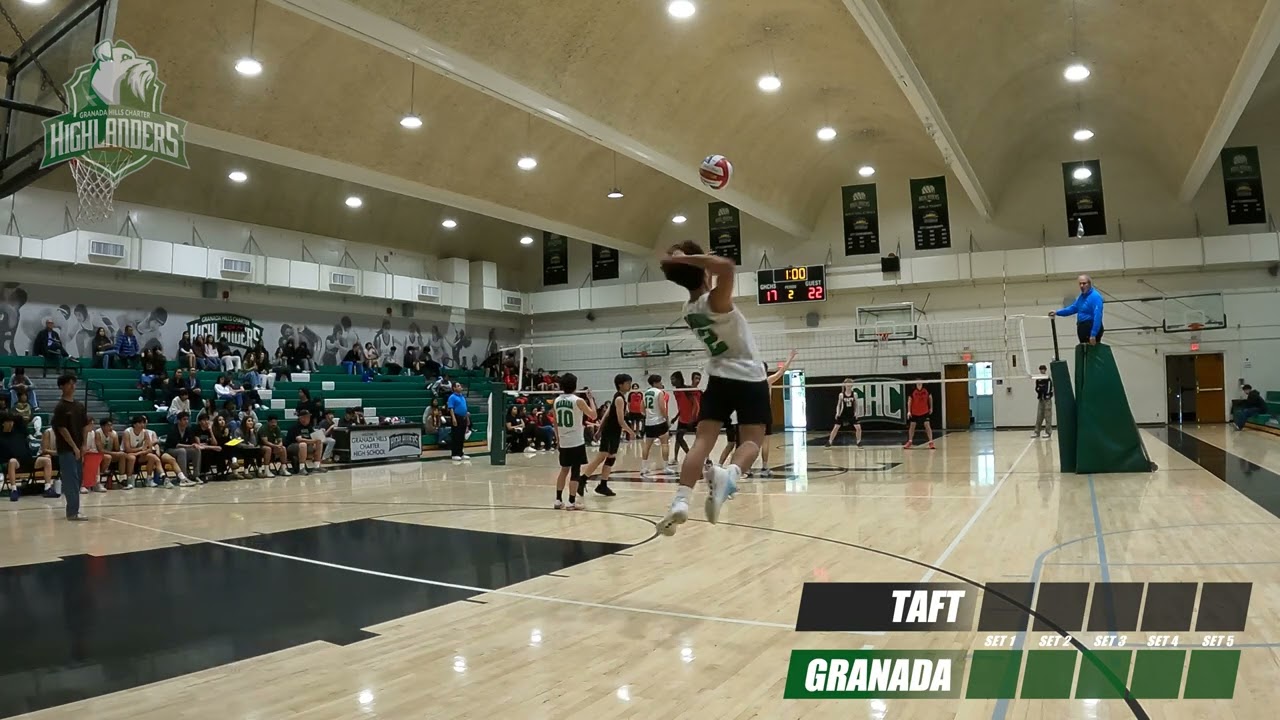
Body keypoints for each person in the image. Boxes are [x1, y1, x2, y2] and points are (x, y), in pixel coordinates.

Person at [656, 241, 772, 535]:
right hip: (749, 377)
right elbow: (727, 266)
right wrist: (690, 259)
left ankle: (681, 500)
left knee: (701, 442)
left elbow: (717, 269)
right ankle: (729, 475)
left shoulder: (689, 309)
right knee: (752, 442)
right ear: (702, 271)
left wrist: (681, 262)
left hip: (718, 377)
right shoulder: (716, 300)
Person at [582, 373, 635, 497]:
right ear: (620, 385)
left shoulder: (619, 397)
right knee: (601, 456)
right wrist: (631, 431)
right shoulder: (619, 399)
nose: (630, 385)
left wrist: (599, 429)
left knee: (611, 458)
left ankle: (603, 485)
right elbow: (621, 421)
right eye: (628, 383)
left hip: (613, 432)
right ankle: (582, 479)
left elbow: (607, 414)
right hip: (611, 431)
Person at [550, 373, 596, 510]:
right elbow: (593, 415)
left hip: (563, 441)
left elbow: (556, 423)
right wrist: (591, 399)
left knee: (564, 470)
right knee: (575, 471)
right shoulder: (578, 401)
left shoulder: (556, 401)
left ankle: (558, 500)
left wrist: (558, 440)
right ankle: (571, 502)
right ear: (575, 385)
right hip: (576, 441)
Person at [51, 374, 90, 521]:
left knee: (78, 478)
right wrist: (74, 447)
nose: (72, 386)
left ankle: (75, 509)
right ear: (61, 386)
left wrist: (84, 444)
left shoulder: (79, 406)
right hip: (66, 449)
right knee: (71, 479)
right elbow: (62, 429)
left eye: (73, 383)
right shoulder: (60, 407)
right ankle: (72, 512)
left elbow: (85, 427)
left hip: (79, 448)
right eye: (68, 383)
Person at [755, 351, 798, 477]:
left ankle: (745, 469)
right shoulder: (767, 380)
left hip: (752, 413)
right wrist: (790, 358)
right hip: (765, 413)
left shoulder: (751, 383)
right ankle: (764, 467)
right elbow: (782, 371)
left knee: (751, 442)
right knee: (765, 441)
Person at [3, 413, 53, 502]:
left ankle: (47, 488)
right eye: (8, 422)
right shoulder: (1, 436)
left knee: (46, 460)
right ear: (3, 423)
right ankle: (14, 490)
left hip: (28, 459)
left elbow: (19, 419)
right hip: (16, 463)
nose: (11, 424)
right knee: (12, 461)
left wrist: (12, 417)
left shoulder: (19, 431)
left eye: (11, 421)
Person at [1050, 274, 1104, 345]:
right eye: (1080, 284)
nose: (1082, 286)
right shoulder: (1081, 297)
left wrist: (1093, 334)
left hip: (1090, 327)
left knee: (1092, 352)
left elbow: (1098, 316)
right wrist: (1057, 312)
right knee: (1084, 352)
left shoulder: (1095, 297)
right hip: (1082, 327)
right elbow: (1072, 308)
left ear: (1090, 284)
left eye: (1084, 283)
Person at [640, 374, 672, 477]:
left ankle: (644, 468)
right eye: (659, 382)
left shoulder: (646, 393)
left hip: (649, 423)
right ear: (655, 383)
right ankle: (666, 467)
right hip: (659, 422)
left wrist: (648, 415)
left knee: (647, 446)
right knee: (665, 444)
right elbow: (663, 408)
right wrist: (666, 419)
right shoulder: (659, 393)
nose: (661, 383)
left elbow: (641, 409)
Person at [669, 371, 698, 466]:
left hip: (692, 419)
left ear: (678, 379)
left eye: (673, 379)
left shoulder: (687, 389)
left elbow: (696, 404)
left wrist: (693, 418)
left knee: (700, 439)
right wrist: (676, 417)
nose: (671, 381)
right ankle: (677, 459)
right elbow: (681, 406)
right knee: (678, 438)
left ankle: (707, 459)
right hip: (682, 419)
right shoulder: (675, 391)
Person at [826, 378, 862, 447]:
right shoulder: (841, 395)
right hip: (843, 413)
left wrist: (856, 413)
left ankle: (859, 442)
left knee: (858, 428)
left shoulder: (854, 394)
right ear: (845, 385)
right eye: (847, 384)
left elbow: (856, 404)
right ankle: (830, 442)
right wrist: (837, 413)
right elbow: (838, 405)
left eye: (850, 384)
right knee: (836, 427)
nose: (848, 386)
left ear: (852, 385)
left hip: (851, 414)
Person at [286, 410, 324, 474]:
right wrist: (313, 441)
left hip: (306, 446)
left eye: (309, 417)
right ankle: (302, 468)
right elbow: (299, 440)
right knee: (303, 444)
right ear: (302, 418)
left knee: (319, 443)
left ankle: (316, 466)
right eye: (307, 417)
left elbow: (314, 437)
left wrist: (320, 436)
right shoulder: (295, 426)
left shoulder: (309, 426)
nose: (309, 419)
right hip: (292, 446)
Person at [903, 381, 935, 450]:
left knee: (927, 425)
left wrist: (931, 408)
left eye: (920, 383)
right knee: (912, 427)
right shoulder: (912, 391)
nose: (919, 384)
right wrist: (909, 411)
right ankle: (910, 441)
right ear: (916, 384)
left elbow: (930, 398)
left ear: (922, 383)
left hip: (924, 411)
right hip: (915, 412)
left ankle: (931, 442)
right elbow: (909, 400)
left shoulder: (926, 390)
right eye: (918, 383)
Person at [447, 382, 471, 462]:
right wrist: (453, 418)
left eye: (460, 385)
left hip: (463, 417)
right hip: (456, 417)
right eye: (458, 386)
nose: (460, 387)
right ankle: (455, 454)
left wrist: (467, 417)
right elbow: (451, 408)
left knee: (461, 436)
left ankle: (461, 453)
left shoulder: (462, 397)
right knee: (456, 436)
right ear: (454, 388)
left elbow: (465, 408)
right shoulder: (452, 397)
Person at [1033, 365, 1054, 439]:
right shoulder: (1038, 379)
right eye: (1041, 369)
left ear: (1045, 370)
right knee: (1039, 416)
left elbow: (1047, 389)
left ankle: (1048, 432)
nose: (1042, 371)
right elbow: (1037, 388)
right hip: (1041, 399)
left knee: (1048, 416)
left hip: (1047, 399)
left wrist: (1041, 388)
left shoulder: (1047, 378)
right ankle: (1037, 432)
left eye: (1043, 369)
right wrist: (1040, 389)